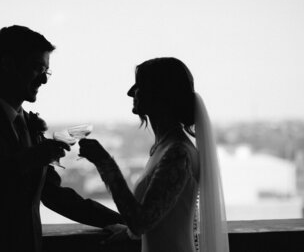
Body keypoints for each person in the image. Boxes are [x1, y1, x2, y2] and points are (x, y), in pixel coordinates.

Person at [0, 25, 123, 252]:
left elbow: (53, 194)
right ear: (7, 64)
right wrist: (28, 160)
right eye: (37, 68)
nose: (44, 80)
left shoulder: (31, 126)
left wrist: (124, 222)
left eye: (46, 71)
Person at [79, 57, 229, 252]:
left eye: (139, 85)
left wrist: (104, 162)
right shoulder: (165, 147)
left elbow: (140, 222)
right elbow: (162, 217)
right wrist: (128, 233)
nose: (131, 92)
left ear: (159, 93)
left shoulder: (177, 152)